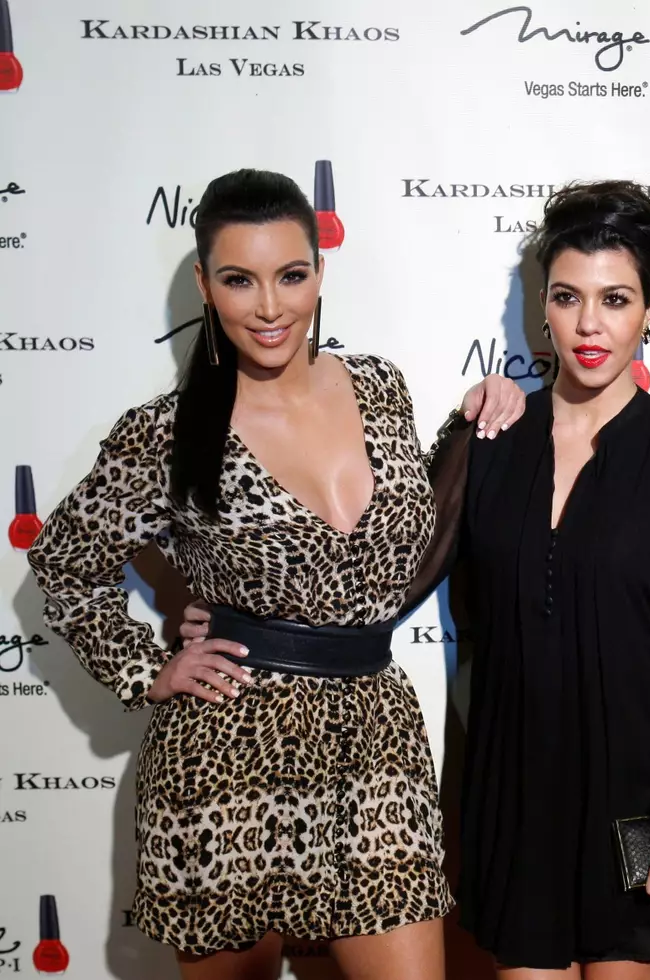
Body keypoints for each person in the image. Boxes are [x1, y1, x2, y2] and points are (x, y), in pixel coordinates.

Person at [28, 169, 522, 980]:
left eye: (291, 276)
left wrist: (481, 412)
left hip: (375, 739)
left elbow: (406, 526)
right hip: (225, 752)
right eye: (238, 279)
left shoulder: (379, 386)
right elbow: (66, 561)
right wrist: (148, 670)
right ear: (204, 284)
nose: (269, 307)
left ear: (320, 271)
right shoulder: (165, 434)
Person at [410, 180, 650, 978]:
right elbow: (393, 577)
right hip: (516, 797)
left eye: (616, 299)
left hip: (633, 809)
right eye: (568, 298)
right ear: (543, 308)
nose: (591, 325)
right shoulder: (490, 442)